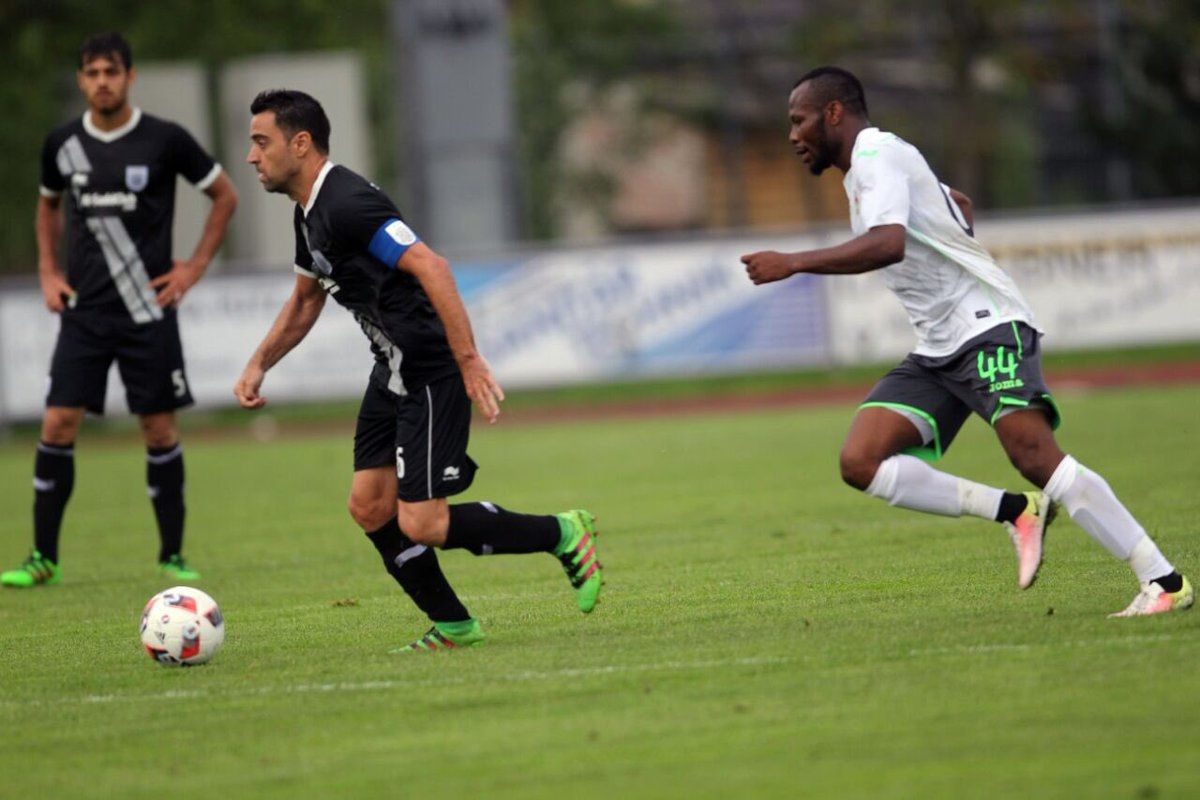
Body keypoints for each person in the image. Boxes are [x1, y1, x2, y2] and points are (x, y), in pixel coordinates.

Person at [741, 66, 1192, 617]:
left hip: (986, 327)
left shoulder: (875, 157)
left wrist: (793, 263)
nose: (792, 135)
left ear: (833, 113)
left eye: (798, 120)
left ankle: (1163, 581)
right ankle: (1014, 511)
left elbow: (887, 245)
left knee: (1033, 453)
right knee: (861, 460)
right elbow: (960, 204)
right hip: (940, 347)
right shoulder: (870, 168)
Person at [234, 89, 602, 651]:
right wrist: (260, 362)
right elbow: (306, 301)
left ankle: (562, 532)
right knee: (368, 505)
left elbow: (433, 266)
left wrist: (469, 358)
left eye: (261, 142)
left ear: (300, 143)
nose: (252, 156)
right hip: (391, 369)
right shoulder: (308, 215)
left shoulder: (348, 203)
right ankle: (455, 624)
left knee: (422, 523)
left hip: (428, 370)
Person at [2, 33, 237, 588]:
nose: (101, 81)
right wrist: (47, 271)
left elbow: (225, 195)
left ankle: (172, 555)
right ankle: (43, 558)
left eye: (111, 71)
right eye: (91, 72)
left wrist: (193, 268)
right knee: (58, 422)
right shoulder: (62, 143)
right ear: (81, 80)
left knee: (157, 428)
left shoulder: (165, 139)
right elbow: (47, 207)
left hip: (147, 309)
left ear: (130, 76)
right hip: (85, 313)